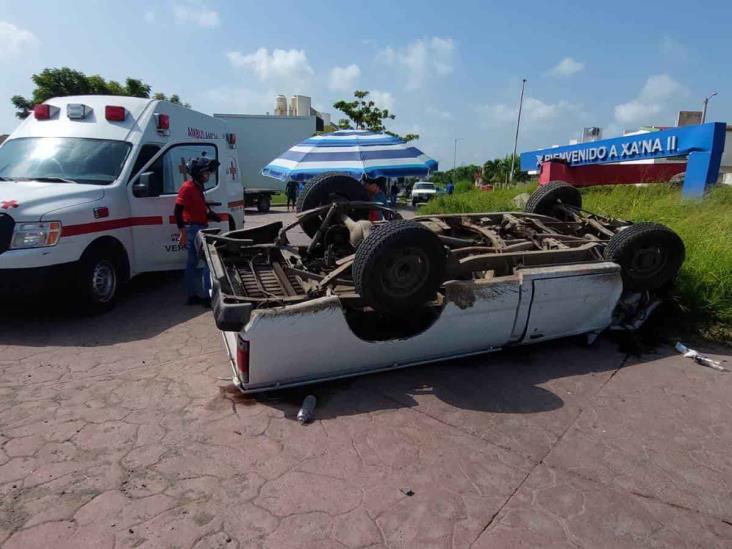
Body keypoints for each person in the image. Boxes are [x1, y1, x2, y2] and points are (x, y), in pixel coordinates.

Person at [174, 156, 221, 306]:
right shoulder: (187, 188)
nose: (208, 175)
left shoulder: (198, 188)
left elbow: (195, 210)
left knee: (193, 263)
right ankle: (207, 297)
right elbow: (177, 211)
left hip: (198, 227)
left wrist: (210, 216)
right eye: (205, 172)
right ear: (197, 173)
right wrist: (182, 232)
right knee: (207, 263)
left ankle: (192, 296)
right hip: (194, 229)